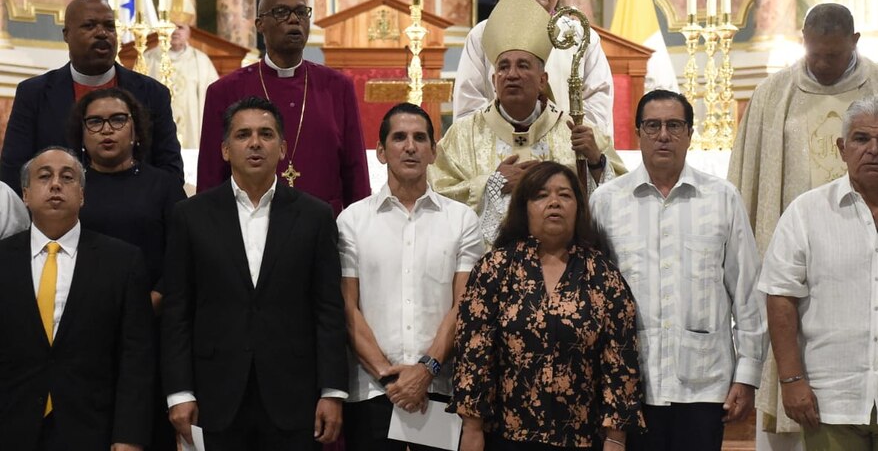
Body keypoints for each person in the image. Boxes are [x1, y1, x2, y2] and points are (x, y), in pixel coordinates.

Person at [727, 2, 878, 444]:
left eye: (833, 56)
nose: (822, 66)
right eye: (815, 55)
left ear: (855, 43)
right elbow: (748, 191)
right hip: (805, 251)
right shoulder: (774, 93)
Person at [759, 96, 878, 450]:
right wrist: (791, 380)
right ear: (842, 148)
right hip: (831, 401)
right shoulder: (806, 212)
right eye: (861, 139)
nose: (873, 149)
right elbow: (780, 297)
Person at [162, 96, 348, 450]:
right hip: (214, 396)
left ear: (282, 148)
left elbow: (328, 309)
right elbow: (177, 312)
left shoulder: (315, 215)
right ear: (225, 150)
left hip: (293, 396)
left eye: (266, 134)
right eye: (243, 134)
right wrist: (179, 392)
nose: (255, 143)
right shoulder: (190, 216)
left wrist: (332, 391)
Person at [590, 90, 767, 451]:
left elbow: (748, 293)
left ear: (690, 132)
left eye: (674, 125)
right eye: (652, 126)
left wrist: (747, 376)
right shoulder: (607, 201)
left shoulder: (721, 198)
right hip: (627, 385)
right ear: (638, 132)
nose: (663, 135)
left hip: (703, 384)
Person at [450, 161, 646, 450]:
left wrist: (616, 440)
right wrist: (472, 431)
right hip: (507, 439)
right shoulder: (496, 269)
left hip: (581, 439)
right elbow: (473, 358)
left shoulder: (602, 275)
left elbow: (620, 366)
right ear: (523, 207)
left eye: (564, 195)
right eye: (541, 195)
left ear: (578, 207)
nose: (554, 203)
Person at [338, 103, 483, 450]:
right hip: (372, 392)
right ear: (381, 151)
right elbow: (347, 308)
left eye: (420, 138)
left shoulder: (461, 220)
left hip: (438, 389)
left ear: (434, 152)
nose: (410, 146)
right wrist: (390, 377)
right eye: (399, 137)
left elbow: (462, 305)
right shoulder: (352, 221)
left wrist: (425, 370)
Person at [430, 0, 625, 245]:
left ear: (542, 80)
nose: (512, 74)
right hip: (487, 272)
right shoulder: (463, 135)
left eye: (523, 65)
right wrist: (493, 183)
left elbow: (621, 200)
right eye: (503, 67)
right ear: (494, 79)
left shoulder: (575, 131)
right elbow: (436, 197)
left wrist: (596, 163)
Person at [0, 147, 153, 450]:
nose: (56, 184)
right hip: (11, 426)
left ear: (82, 195)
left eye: (67, 177)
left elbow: (136, 357)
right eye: (44, 177)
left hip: (93, 428)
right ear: (26, 195)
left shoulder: (122, 261)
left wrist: (129, 436)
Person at [66, 87, 187, 450]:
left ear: (135, 130)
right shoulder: (71, 187)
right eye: (96, 122)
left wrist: (152, 299)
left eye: (118, 120)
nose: (107, 129)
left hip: (150, 329)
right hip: (81, 331)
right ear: (82, 134)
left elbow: (181, 256)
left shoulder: (163, 186)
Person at [196, 0, 370, 215]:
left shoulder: (337, 87)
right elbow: (211, 177)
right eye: (281, 12)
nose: (293, 20)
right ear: (260, 25)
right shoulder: (225, 91)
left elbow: (355, 172)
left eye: (300, 12)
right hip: (249, 228)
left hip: (326, 228)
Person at [0, 0, 184, 196]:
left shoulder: (152, 93)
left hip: (136, 215)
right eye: (89, 26)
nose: (102, 33)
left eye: (109, 26)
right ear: (66, 34)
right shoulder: (34, 93)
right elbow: (13, 171)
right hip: (59, 218)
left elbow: (170, 169)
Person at [453, 0, 615, 137]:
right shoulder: (483, 34)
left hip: (566, 152)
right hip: (499, 151)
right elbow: (469, 100)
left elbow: (598, 99)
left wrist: (565, 141)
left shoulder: (582, 36)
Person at [145, 0, 219, 149]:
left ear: (189, 31)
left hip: (193, 139)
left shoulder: (201, 62)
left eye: (180, 27)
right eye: (171, 26)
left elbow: (215, 103)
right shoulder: (148, 59)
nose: (175, 31)